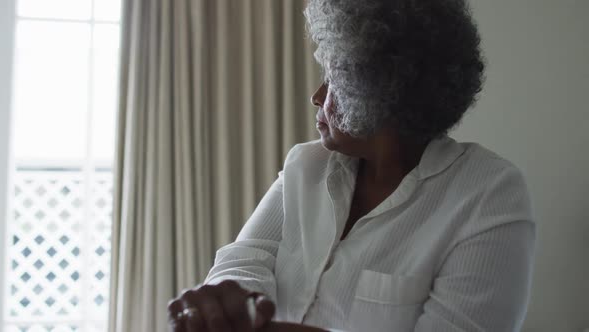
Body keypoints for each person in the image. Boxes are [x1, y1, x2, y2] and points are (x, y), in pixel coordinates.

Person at [167, 0, 536, 331]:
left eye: (335, 81)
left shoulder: (487, 192)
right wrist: (223, 300)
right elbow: (247, 259)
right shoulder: (307, 165)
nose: (316, 97)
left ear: (383, 93)